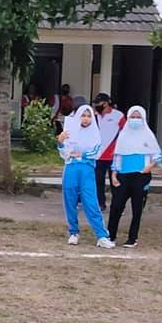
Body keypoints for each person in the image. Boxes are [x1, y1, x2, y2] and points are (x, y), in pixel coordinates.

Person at [56, 105, 115, 248]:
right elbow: (64, 153)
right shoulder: (71, 130)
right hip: (71, 168)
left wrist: (81, 155)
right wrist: (60, 142)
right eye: (83, 115)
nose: (86, 119)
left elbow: (96, 151)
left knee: (91, 202)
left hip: (87, 170)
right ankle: (73, 232)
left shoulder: (95, 133)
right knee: (70, 199)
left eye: (89, 116)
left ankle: (102, 235)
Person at [106, 106, 161, 248]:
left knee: (137, 208)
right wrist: (114, 174)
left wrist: (149, 167)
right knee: (116, 206)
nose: (135, 120)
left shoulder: (149, 136)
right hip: (123, 176)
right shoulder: (123, 135)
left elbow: (157, 155)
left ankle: (132, 238)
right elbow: (117, 156)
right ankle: (110, 235)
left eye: (138, 117)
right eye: (132, 117)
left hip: (141, 176)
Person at [91, 93, 125, 210]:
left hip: (113, 155)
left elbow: (124, 132)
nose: (96, 105)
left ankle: (117, 205)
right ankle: (100, 203)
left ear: (106, 103)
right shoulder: (94, 116)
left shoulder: (118, 115)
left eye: (98, 103)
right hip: (98, 155)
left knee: (115, 182)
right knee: (97, 181)